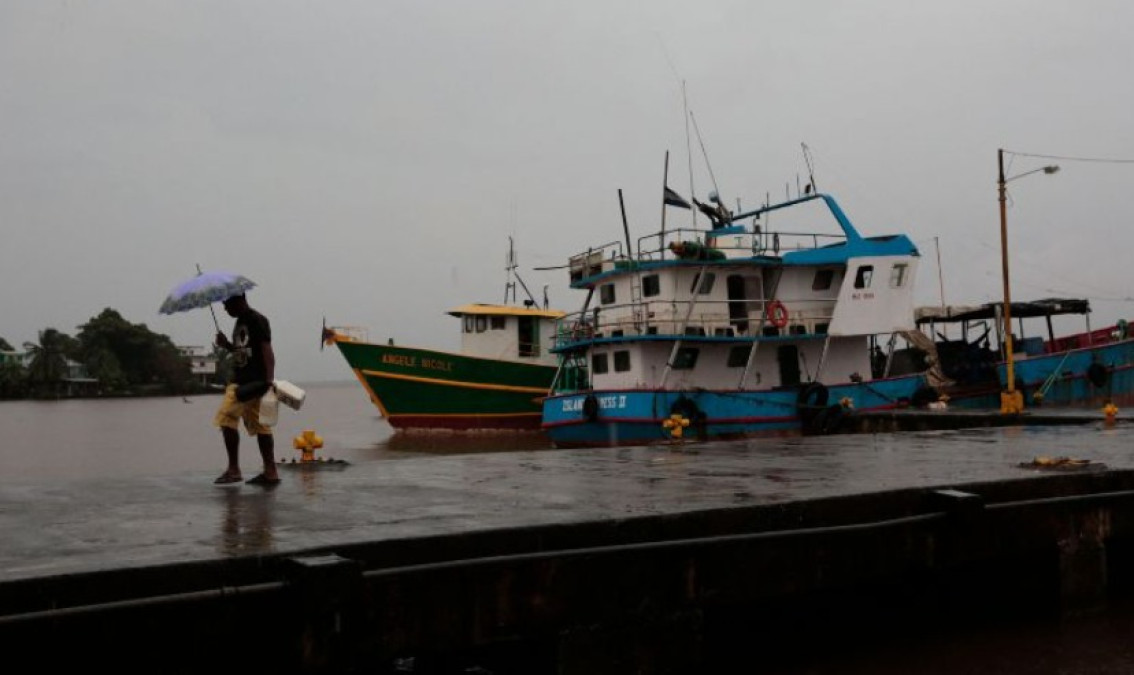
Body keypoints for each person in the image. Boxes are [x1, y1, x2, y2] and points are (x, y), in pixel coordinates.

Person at [212, 293, 280, 486]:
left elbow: (266, 349)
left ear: (239, 300)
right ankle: (270, 472)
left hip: (250, 382)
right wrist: (226, 345)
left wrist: (269, 380)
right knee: (261, 425)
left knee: (226, 418)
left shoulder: (257, 320)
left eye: (227, 304)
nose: (225, 308)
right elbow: (243, 352)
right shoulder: (239, 323)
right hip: (247, 379)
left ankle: (234, 470)